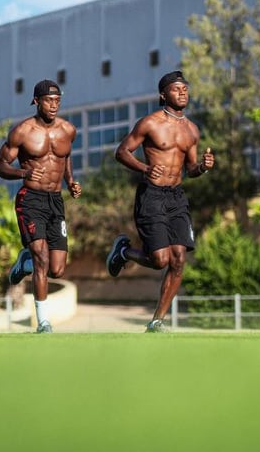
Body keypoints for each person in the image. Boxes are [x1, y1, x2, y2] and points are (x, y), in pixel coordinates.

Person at [105, 71, 214, 333]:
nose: (183, 93)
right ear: (164, 94)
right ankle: (124, 252)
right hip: (151, 194)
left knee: (178, 260)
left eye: (185, 89)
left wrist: (203, 167)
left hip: (176, 197)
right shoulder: (150, 123)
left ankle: (157, 321)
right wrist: (144, 168)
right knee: (160, 260)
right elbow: (122, 152)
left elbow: (190, 169)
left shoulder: (191, 130)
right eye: (177, 89)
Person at [0, 79, 82, 333]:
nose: (54, 105)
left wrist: (71, 181)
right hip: (30, 199)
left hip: (56, 201)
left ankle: (25, 263)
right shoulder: (22, 131)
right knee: (42, 258)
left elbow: (64, 159)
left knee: (57, 269)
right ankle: (43, 323)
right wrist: (22, 173)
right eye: (49, 100)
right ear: (36, 101)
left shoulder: (68, 130)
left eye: (57, 100)